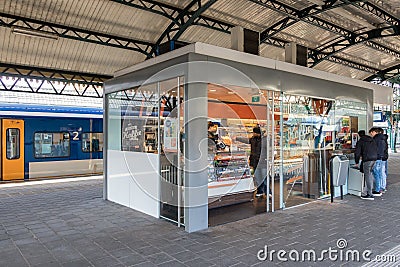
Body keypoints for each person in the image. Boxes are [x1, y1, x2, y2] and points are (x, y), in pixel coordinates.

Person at [237, 126, 270, 197]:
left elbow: (269, 150)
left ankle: (268, 192)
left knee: (264, 178)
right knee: (257, 177)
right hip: (255, 161)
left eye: (255, 132)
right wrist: (237, 138)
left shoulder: (265, 140)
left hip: (263, 161)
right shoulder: (253, 139)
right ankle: (260, 191)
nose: (253, 134)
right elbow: (246, 140)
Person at [354, 129, 377, 200]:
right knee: (370, 175)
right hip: (374, 158)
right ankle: (370, 191)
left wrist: (357, 162)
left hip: (367, 159)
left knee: (367, 176)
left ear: (359, 135)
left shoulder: (360, 141)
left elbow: (357, 153)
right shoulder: (371, 140)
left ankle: (369, 194)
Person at [369, 127, 385, 197]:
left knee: (376, 174)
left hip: (376, 158)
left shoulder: (376, 139)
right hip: (380, 157)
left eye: (371, 133)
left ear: (375, 132)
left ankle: (377, 190)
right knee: (378, 173)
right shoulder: (382, 138)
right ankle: (379, 189)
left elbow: (373, 149)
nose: (371, 134)